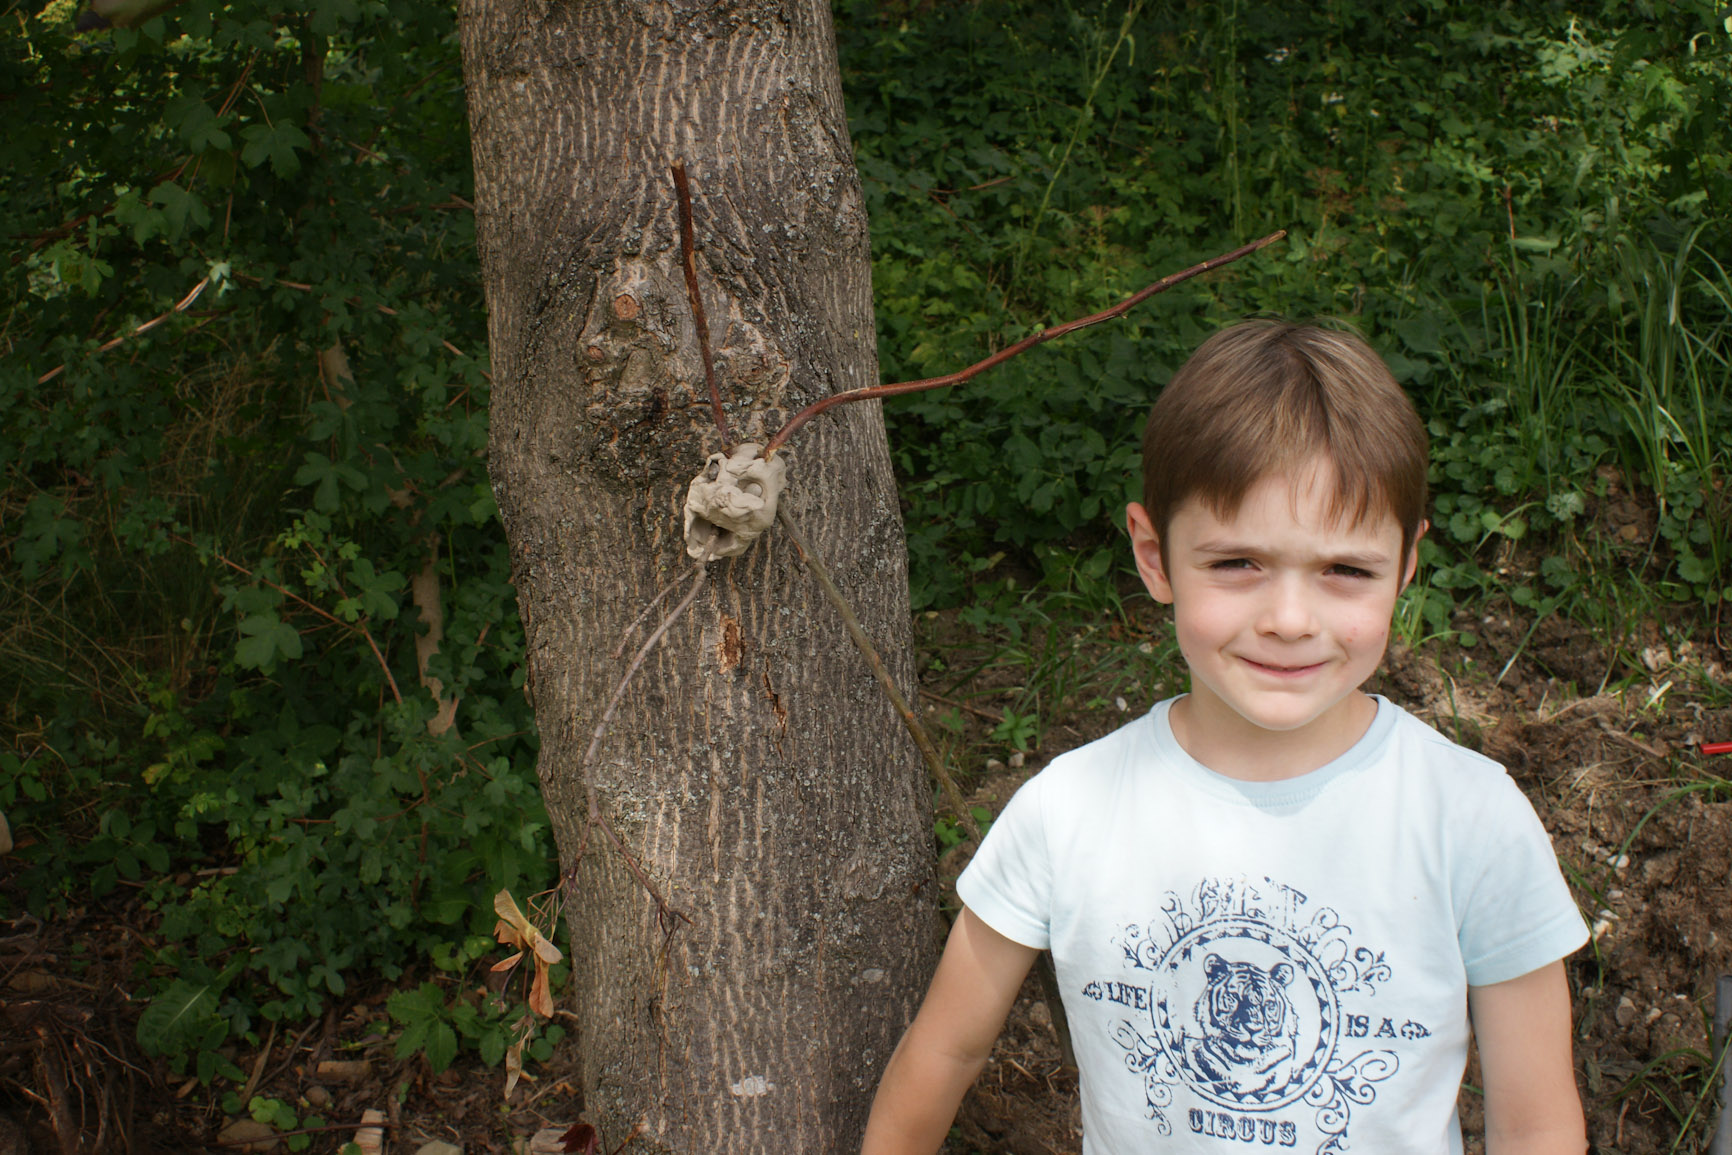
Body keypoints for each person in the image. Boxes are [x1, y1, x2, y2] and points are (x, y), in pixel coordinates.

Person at [861, 320, 1588, 1154]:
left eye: (1346, 570)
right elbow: (945, 1050)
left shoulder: (1473, 818)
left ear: (1406, 565)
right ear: (1154, 555)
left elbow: (1536, 1124)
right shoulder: (1067, 810)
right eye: (1238, 562)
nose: (1289, 619)